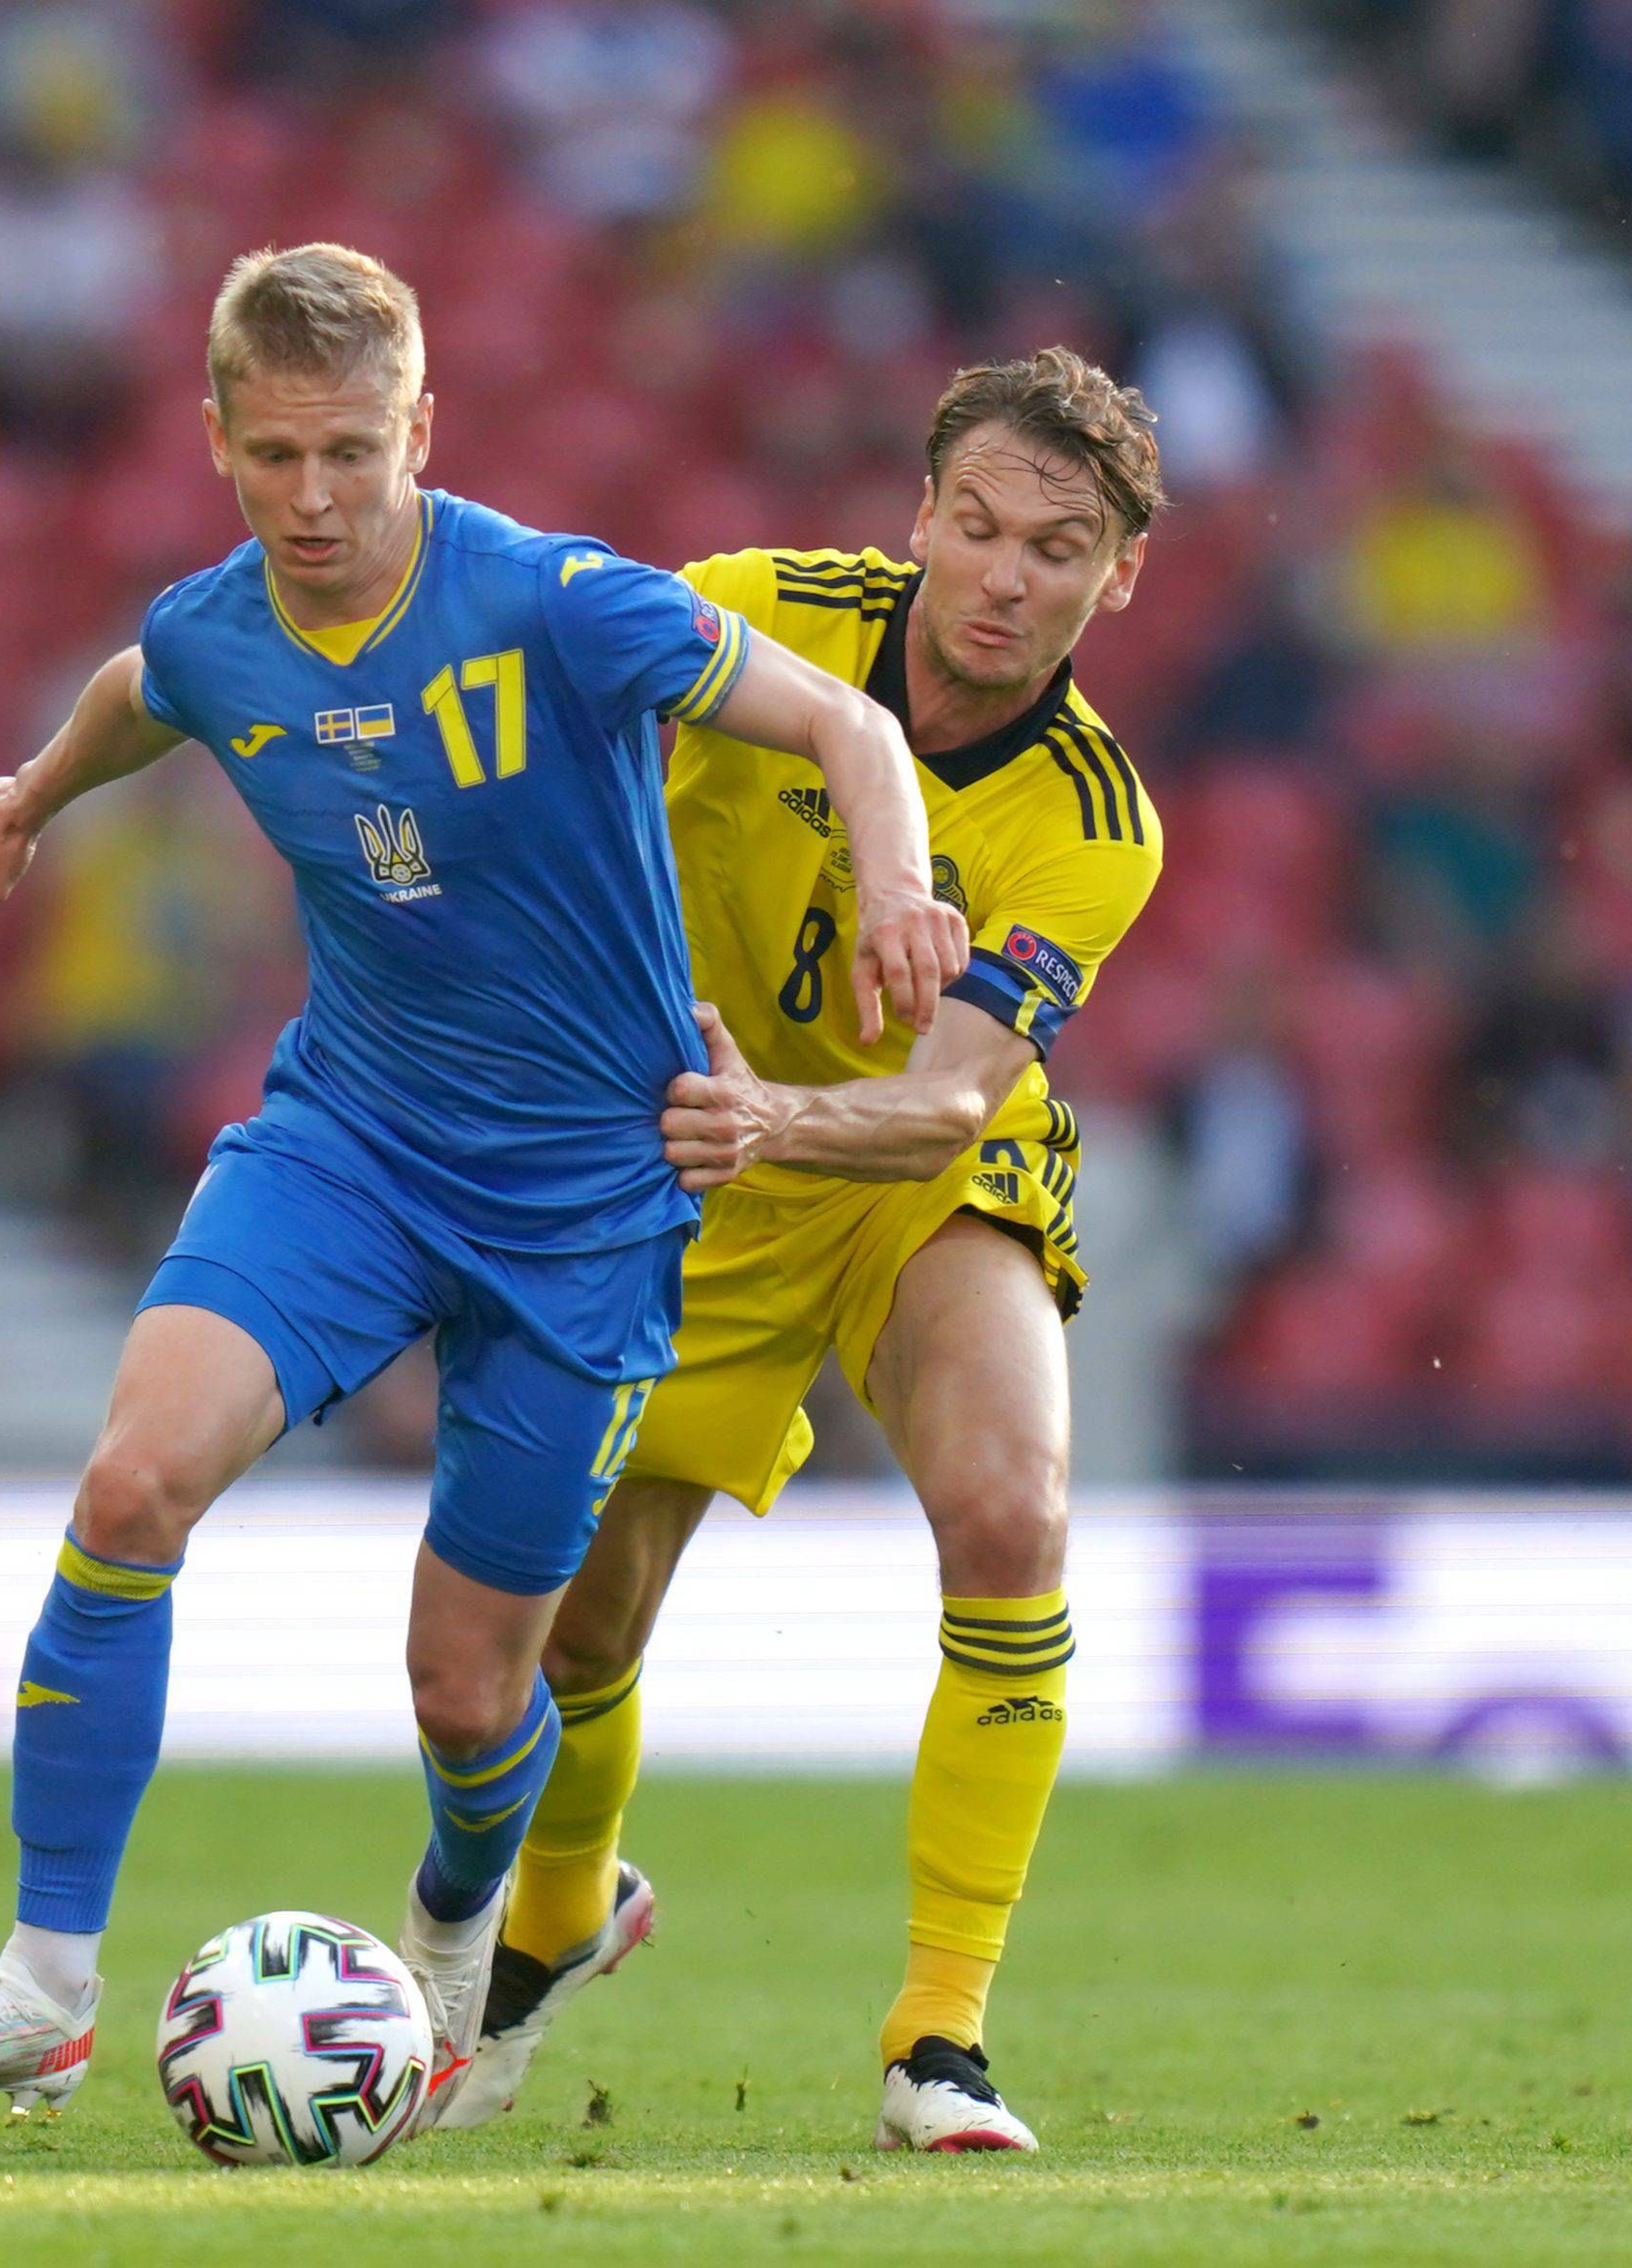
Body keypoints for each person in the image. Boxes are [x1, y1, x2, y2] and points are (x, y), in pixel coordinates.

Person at [0, 244, 966, 2126]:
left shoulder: (558, 603)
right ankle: (43, 1981)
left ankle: (459, 1933)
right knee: (131, 1481)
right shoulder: (219, 631)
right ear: (216, 440)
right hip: (349, 1144)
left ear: (421, 431)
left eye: (351, 451)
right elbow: (146, 686)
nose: (314, 497)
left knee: (466, 1687)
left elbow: (851, 723)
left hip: (585, 1201)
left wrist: (900, 891)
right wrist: (26, 799)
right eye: (274, 454)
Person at [445, 348, 1166, 2153]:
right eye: (978, 526)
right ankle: (561, 1908)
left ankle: (942, 2036)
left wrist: (778, 1113)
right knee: (580, 1625)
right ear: (920, 514)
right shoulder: (754, 611)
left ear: (1117, 579)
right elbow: (541, 721)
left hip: (906, 1174)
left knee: (1013, 1511)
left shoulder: (1097, 823)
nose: (1004, 577)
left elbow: (948, 1101)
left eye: (1057, 549)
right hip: (682, 1159)